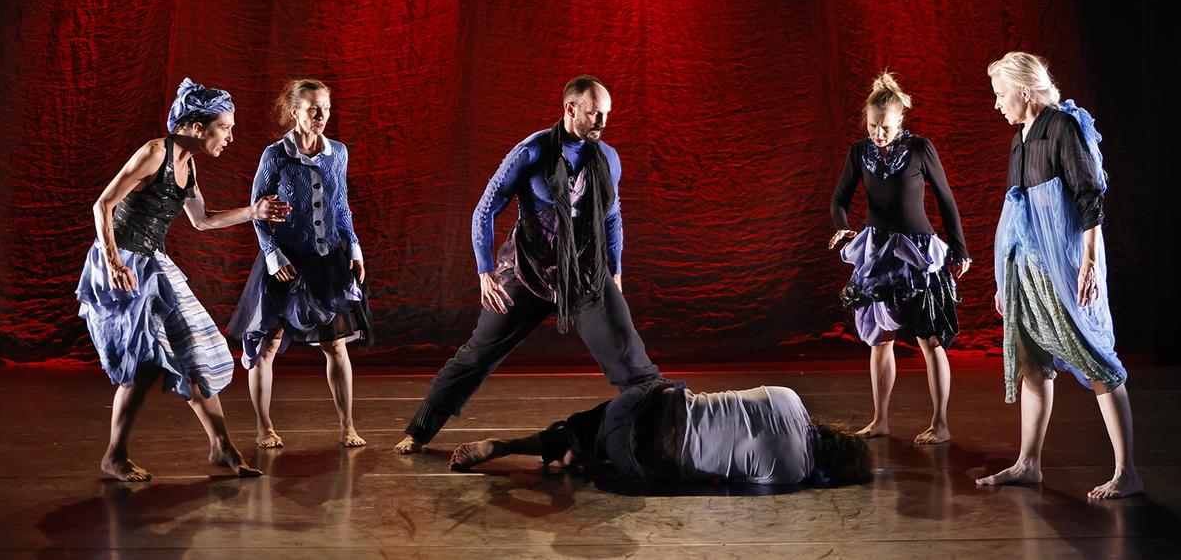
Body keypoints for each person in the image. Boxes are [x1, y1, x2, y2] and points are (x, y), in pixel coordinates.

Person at [394, 75, 662, 454]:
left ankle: (662, 431)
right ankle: (419, 431)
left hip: (585, 274)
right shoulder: (532, 152)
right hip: (529, 271)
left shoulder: (607, 158)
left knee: (633, 362)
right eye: (594, 114)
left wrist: (615, 271)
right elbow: (486, 208)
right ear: (571, 109)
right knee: (477, 354)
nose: (602, 122)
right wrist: (485, 271)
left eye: (606, 114)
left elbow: (612, 217)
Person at [76, 78, 290, 482]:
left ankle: (222, 445)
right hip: (123, 262)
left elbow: (202, 220)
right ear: (196, 127)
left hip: (153, 263)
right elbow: (102, 205)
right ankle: (115, 455)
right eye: (224, 128)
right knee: (144, 362)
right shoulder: (155, 153)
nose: (230, 137)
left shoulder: (187, 164)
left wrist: (254, 212)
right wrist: (113, 262)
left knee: (193, 351)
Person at [977, 52, 1142, 499]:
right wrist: (1004, 280)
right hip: (1024, 271)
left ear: (1024, 90)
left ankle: (1127, 472)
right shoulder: (1020, 138)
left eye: (1001, 94)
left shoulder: (1062, 126)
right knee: (1032, 364)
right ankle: (1028, 464)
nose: (997, 104)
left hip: (1060, 265)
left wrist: (1089, 261)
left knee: (1095, 360)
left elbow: (1089, 196)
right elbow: (1016, 214)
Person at [228, 79, 373, 448]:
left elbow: (341, 206)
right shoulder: (275, 155)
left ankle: (348, 426)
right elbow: (258, 212)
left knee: (336, 345)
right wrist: (272, 254)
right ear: (295, 112)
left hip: (327, 259)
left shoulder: (337, 152)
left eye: (326, 108)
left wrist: (354, 247)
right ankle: (264, 428)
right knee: (266, 347)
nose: (322, 115)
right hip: (285, 260)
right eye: (313, 108)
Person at [829, 73, 971, 444]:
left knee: (930, 341)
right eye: (873, 126)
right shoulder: (859, 152)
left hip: (917, 254)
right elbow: (839, 198)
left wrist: (959, 249)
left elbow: (946, 200)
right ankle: (880, 420)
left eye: (886, 127)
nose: (879, 133)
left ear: (900, 120)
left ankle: (940, 424)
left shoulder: (921, 149)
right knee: (880, 340)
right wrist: (843, 227)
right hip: (878, 254)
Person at [448, 380, 872, 487]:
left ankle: (539, 444)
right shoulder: (793, 473)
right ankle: (584, 451)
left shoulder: (790, 397)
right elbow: (731, 480)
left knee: (595, 422)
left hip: (644, 402)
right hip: (638, 454)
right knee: (613, 445)